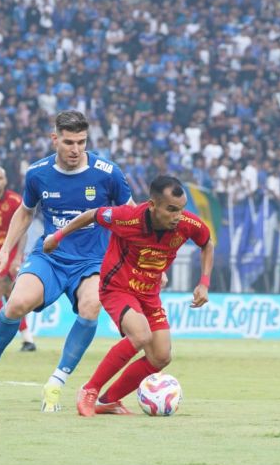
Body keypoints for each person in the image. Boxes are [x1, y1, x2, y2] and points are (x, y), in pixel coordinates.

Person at [0, 110, 132, 411]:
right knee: (15, 304)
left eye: (81, 142)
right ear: (54, 139)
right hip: (50, 256)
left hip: (92, 261)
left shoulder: (108, 172)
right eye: (68, 142)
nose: (76, 149)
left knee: (91, 306)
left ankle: (56, 383)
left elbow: (132, 214)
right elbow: (25, 212)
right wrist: (4, 251)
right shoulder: (38, 173)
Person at [40, 174, 214, 417]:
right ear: (153, 205)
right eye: (172, 210)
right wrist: (57, 237)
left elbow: (207, 243)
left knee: (161, 357)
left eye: (181, 209)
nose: (178, 216)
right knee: (140, 334)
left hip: (149, 294)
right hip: (117, 288)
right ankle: (90, 390)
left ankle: (108, 400)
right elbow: (92, 214)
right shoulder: (127, 217)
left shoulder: (186, 223)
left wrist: (204, 283)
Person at [0, 165, 36, 351]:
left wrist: (17, 258)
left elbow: (24, 232)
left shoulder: (14, 200)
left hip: (8, 251)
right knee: (10, 295)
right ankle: (28, 340)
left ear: (5, 182)